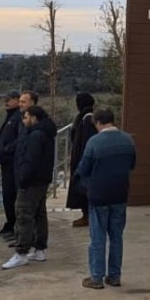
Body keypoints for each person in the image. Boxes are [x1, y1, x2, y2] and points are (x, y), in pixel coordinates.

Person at [76, 107, 136, 289]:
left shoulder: (94, 142)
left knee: (98, 237)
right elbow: (133, 164)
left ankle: (96, 277)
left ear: (97, 122)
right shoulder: (128, 140)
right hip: (120, 194)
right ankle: (114, 276)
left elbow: (83, 168)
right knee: (117, 237)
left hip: (99, 195)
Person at [1, 102, 56, 269]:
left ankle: (21, 252)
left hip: (31, 182)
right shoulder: (47, 133)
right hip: (42, 181)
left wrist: (23, 179)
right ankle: (39, 250)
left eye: (25, 118)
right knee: (40, 215)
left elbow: (30, 161)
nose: (23, 121)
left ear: (33, 118)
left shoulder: (35, 136)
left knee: (23, 215)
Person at [0, 90, 23, 241]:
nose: (6, 102)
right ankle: (10, 223)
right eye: (5, 99)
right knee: (7, 196)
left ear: (18, 100)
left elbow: (20, 139)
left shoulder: (19, 117)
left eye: (9, 99)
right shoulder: (9, 117)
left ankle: (15, 226)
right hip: (5, 162)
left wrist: (6, 150)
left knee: (12, 195)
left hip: (12, 163)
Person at [65, 92, 98, 227]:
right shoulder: (85, 118)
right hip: (79, 157)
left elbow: (86, 143)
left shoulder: (87, 119)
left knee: (83, 187)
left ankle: (88, 216)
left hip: (83, 159)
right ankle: (86, 215)